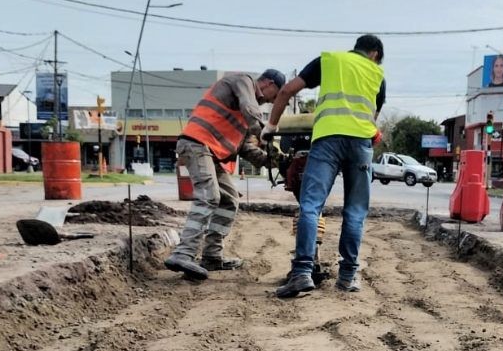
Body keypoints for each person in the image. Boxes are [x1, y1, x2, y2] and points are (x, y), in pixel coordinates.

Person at [262, 34, 386, 298]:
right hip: (361, 144)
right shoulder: (378, 75)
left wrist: (270, 126)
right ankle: (347, 277)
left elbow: (286, 91)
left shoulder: (329, 60)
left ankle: (302, 273)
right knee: (355, 211)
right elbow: (372, 120)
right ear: (375, 53)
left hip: (327, 139)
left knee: (311, 205)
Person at [163, 69, 286, 280]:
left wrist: (277, 160)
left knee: (229, 200)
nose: (271, 102)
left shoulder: (249, 114)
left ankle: (211, 256)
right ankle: (183, 253)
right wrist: (266, 134)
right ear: (268, 83)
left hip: (212, 154)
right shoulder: (242, 81)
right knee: (209, 196)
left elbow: (247, 149)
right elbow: (250, 109)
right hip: (196, 143)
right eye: (275, 96)